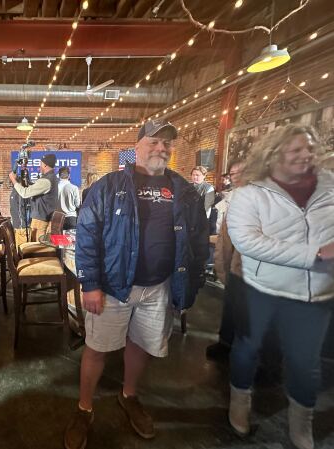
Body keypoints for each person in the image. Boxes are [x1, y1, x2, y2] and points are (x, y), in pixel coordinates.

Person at [65, 119, 209, 449]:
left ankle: (129, 395)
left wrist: (192, 282)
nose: (161, 148)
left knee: (142, 344)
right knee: (97, 348)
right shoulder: (109, 185)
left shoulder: (184, 190)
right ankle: (84, 407)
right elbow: (86, 236)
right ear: (138, 145)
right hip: (114, 285)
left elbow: (198, 239)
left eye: (167, 144)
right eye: (154, 142)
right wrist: (90, 283)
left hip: (160, 285)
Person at [226, 124, 334, 449]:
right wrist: (313, 254)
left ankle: (302, 423)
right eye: (296, 149)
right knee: (247, 348)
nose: (306, 155)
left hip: (317, 292)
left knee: (305, 362)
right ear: (274, 155)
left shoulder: (330, 185)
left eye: (309, 148)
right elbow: (247, 241)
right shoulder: (249, 194)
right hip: (260, 288)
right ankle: (239, 403)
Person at [205, 158, 246, 361]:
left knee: (246, 311)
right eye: (233, 172)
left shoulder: (258, 196)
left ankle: (242, 350)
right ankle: (225, 343)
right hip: (232, 261)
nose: (236, 176)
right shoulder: (231, 197)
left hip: (250, 265)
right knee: (230, 306)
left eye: (241, 171)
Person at [8, 153, 59, 238]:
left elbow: (25, 193)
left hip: (40, 221)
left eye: (40, 164)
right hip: (43, 218)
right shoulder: (51, 178)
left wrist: (13, 180)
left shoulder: (46, 181)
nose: (39, 166)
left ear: (45, 165)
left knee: (37, 248)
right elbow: (34, 187)